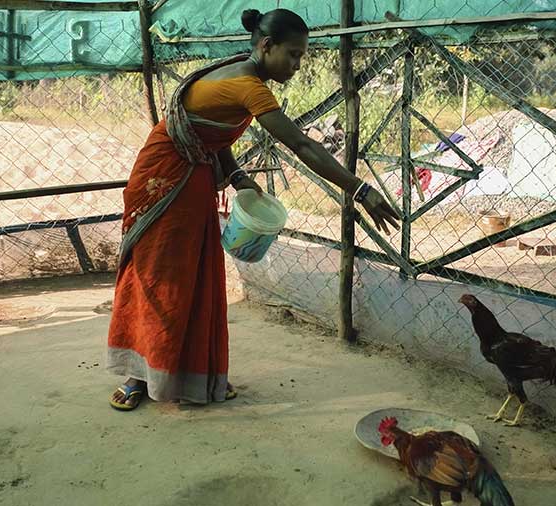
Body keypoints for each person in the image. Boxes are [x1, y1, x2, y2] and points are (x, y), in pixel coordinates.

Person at [107, 8, 399, 410]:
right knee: (160, 278)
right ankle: (139, 374)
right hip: (165, 179)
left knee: (197, 275)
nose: (297, 65)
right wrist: (361, 189)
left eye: (302, 57)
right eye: (293, 55)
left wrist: (238, 176)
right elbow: (303, 145)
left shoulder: (241, 73)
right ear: (266, 46)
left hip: (194, 174)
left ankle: (194, 373)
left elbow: (210, 130)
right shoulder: (250, 86)